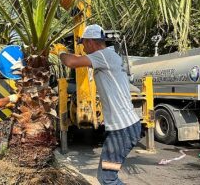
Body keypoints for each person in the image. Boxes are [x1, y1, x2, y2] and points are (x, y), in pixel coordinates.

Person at [52, 24, 141, 185]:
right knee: (105, 176)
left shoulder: (104, 55)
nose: (83, 48)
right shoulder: (110, 56)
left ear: (91, 42)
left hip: (122, 131)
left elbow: (72, 62)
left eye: (84, 44)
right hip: (121, 130)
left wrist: (60, 51)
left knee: (107, 179)